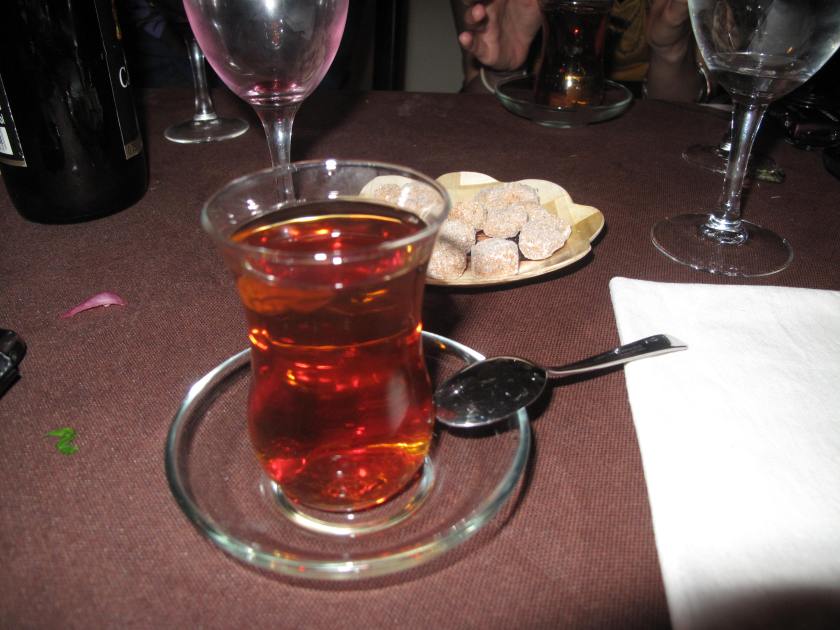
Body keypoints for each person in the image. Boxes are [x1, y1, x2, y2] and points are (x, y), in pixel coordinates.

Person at [450, 0, 709, 102]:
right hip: (530, 114)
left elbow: (681, 115)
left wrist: (670, 50)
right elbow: (471, 106)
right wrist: (501, 72)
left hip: (641, 134)